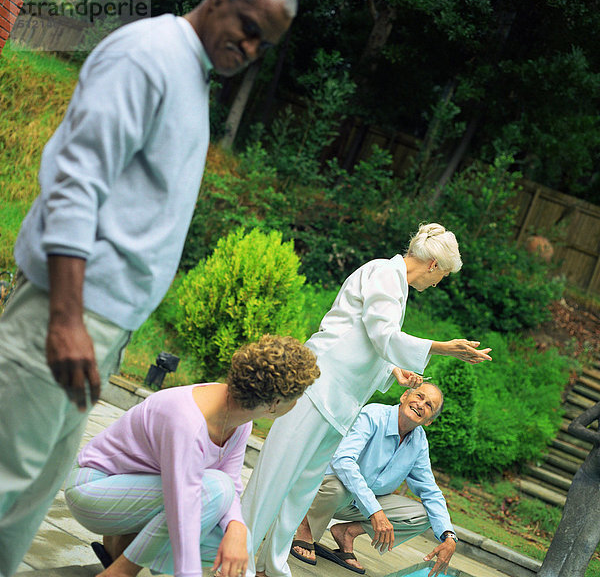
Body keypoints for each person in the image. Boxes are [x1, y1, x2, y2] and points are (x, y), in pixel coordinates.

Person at [0, 0, 297, 574]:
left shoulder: (190, 77)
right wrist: (64, 318)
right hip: (65, 313)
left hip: (100, 325)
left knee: (30, 494)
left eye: (263, 45)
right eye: (248, 27)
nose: (250, 49)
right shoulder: (149, 54)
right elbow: (75, 182)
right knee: (8, 478)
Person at [241, 222, 492, 577]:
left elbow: (366, 338)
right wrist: (442, 348)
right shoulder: (385, 273)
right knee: (275, 476)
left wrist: (393, 371)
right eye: (443, 275)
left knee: (302, 489)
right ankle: (236, 556)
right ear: (434, 265)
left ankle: (270, 564)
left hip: (340, 403)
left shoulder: (396, 285)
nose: (438, 283)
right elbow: (381, 332)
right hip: (319, 388)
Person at [64, 335, 320, 577]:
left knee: (234, 544)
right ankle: (119, 571)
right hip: (93, 490)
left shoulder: (241, 420)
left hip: (138, 494)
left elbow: (230, 484)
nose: (297, 404)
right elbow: (184, 510)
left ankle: (122, 544)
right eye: (297, 397)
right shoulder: (185, 421)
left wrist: (237, 528)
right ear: (274, 403)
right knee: (214, 488)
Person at [290, 383, 456, 577]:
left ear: (429, 421)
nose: (421, 405)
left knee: (423, 514)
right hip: (324, 490)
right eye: (419, 396)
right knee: (339, 487)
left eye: (429, 406)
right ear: (404, 396)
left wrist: (449, 536)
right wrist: (374, 510)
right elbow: (343, 461)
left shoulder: (419, 442)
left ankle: (347, 533)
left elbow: (430, 490)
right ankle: (306, 528)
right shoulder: (374, 415)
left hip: (358, 503)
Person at [537, 400, 600, 577]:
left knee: (588, 540)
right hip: (588, 477)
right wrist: (598, 437)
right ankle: (547, 573)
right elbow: (574, 426)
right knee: (567, 530)